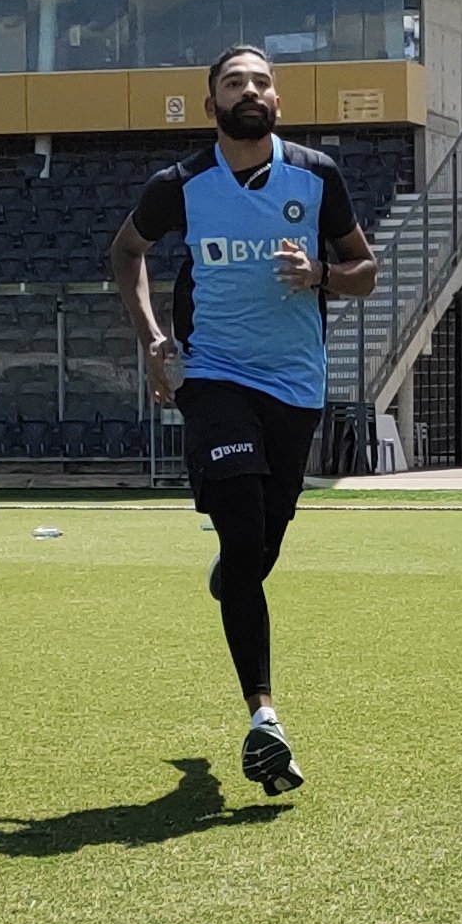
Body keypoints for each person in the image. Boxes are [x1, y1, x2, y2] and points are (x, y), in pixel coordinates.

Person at [110, 45, 378, 795]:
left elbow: (366, 269)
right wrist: (154, 341)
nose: (250, 90)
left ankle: (235, 570)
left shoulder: (317, 176)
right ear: (212, 107)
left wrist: (323, 273)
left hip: (295, 386)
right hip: (214, 376)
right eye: (235, 83)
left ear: (278, 102)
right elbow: (127, 250)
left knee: (256, 554)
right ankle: (265, 720)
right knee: (238, 525)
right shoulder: (182, 184)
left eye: (261, 81)